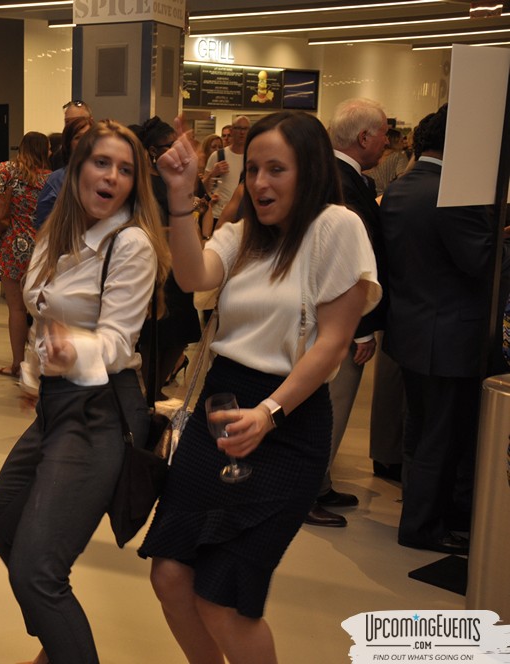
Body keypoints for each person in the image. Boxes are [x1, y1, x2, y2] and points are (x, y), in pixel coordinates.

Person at [140, 111, 380, 664]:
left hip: (287, 422)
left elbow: (333, 343)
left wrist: (269, 412)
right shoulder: (244, 233)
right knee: (170, 575)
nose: (259, 183)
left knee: (224, 598)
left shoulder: (337, 227)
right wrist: (180, 195)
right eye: (252, 170)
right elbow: (193, 276)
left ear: (310, 170)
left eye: (276, 169)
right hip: (219, 409)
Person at [0, 120, 169, 664]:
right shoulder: (56, 233)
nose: (111, 177)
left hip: (100, 408)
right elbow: (42, 313)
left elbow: (116, 342)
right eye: (101, 163)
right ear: (77, 168)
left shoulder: (130, 243)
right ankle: (59, 642)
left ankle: (61, 643)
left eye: (125, 170)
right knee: (0, 519)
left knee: (38, 573)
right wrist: (33, 375)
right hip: (57, 403)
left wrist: (70, 352)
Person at [381, 105, 494, 555]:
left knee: (422, 430)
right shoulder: (452, 193)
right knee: (442, 436)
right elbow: (480, 262)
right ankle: (424, 526)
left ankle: (421, 512)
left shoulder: (401, 187)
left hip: (412, 327)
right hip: (448, 333)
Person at [306, 97, 390, 528]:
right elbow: (353, 264)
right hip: (341, 321)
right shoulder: (344, 184)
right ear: (364, 137)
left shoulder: (334, 176)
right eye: (384, 134)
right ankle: (307, 492)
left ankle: (319, 484)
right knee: (330, 409)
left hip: (331, 318)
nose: (388, 142)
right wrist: (363, 328)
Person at [136, 117, 203, 400]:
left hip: (179, 263)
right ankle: (150, 393)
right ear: (152, 151)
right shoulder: (142, 182)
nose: (175, 151)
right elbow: (141, 223)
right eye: (169, 146)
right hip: (153, 263)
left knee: (180, 333)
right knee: (154, 332)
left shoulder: (176, 178)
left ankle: (156, 388)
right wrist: (171, 229)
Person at [0, 131, 51, 379]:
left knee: (16, 309)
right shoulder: (52, 178)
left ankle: (17, 364)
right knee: (45, 309)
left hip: (14, 245)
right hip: (44, 248)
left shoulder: (7, 170)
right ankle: (43, 364)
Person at [33, 115, 94, 230]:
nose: (84, 142)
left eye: (88, 136)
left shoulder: (105, 176)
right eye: (78, 138)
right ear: (69, 144)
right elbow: (43, 224)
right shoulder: (57, 179)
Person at [203, 116, 249, 240]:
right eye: (238, 128)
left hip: (243, 217)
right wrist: (212, 173)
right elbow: (202, 187)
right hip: (218, 215)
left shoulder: (252, 156)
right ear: (232, 130)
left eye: (245, 129)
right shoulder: (218, 155)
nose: (242, 132)